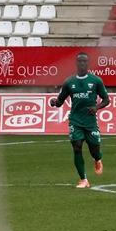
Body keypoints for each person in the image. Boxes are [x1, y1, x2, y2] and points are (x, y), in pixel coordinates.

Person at [49, 52, 109, 188]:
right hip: (75, 120)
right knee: (77, 147)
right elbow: (60, 101)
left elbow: (106, 100)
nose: (82, 63)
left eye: (84, 61)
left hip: (90, 121)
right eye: (80, 61)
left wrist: (96, 107)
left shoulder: (96, 81)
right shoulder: (69, 82)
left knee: (94, 149)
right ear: (76, 63)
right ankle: (83, 179)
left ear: (88, 63)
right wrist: (54, 102)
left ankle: (97, 159)